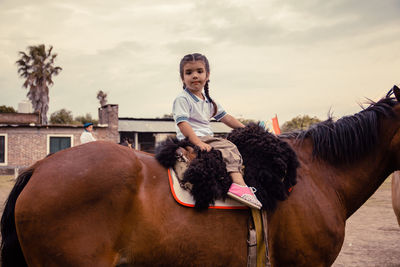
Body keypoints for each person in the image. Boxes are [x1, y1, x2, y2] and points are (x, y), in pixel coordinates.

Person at [172, 53, 262, 209]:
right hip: (194, 137)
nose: (194, 76)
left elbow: (226, 117)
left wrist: (247, 129)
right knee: (229, 147)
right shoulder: (182, 99)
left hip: (204, 137)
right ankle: (238, 185)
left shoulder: (208, 101)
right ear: (182, 77)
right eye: (189, 72)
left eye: (199, 71)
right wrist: (198, 142)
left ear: (207, 75)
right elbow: (183, 123)